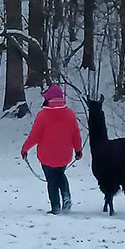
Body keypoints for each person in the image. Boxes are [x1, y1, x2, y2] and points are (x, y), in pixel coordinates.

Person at [20, 84, 82, 214]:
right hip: (65, 154)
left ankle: (56, 207)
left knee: (51, 180)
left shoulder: (43, 115)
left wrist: (25, 149)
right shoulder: (70, 114)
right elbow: (75, 134)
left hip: (46, 155)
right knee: (60, 174)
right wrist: (78, 150)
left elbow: (35, 136)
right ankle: (66, 195)